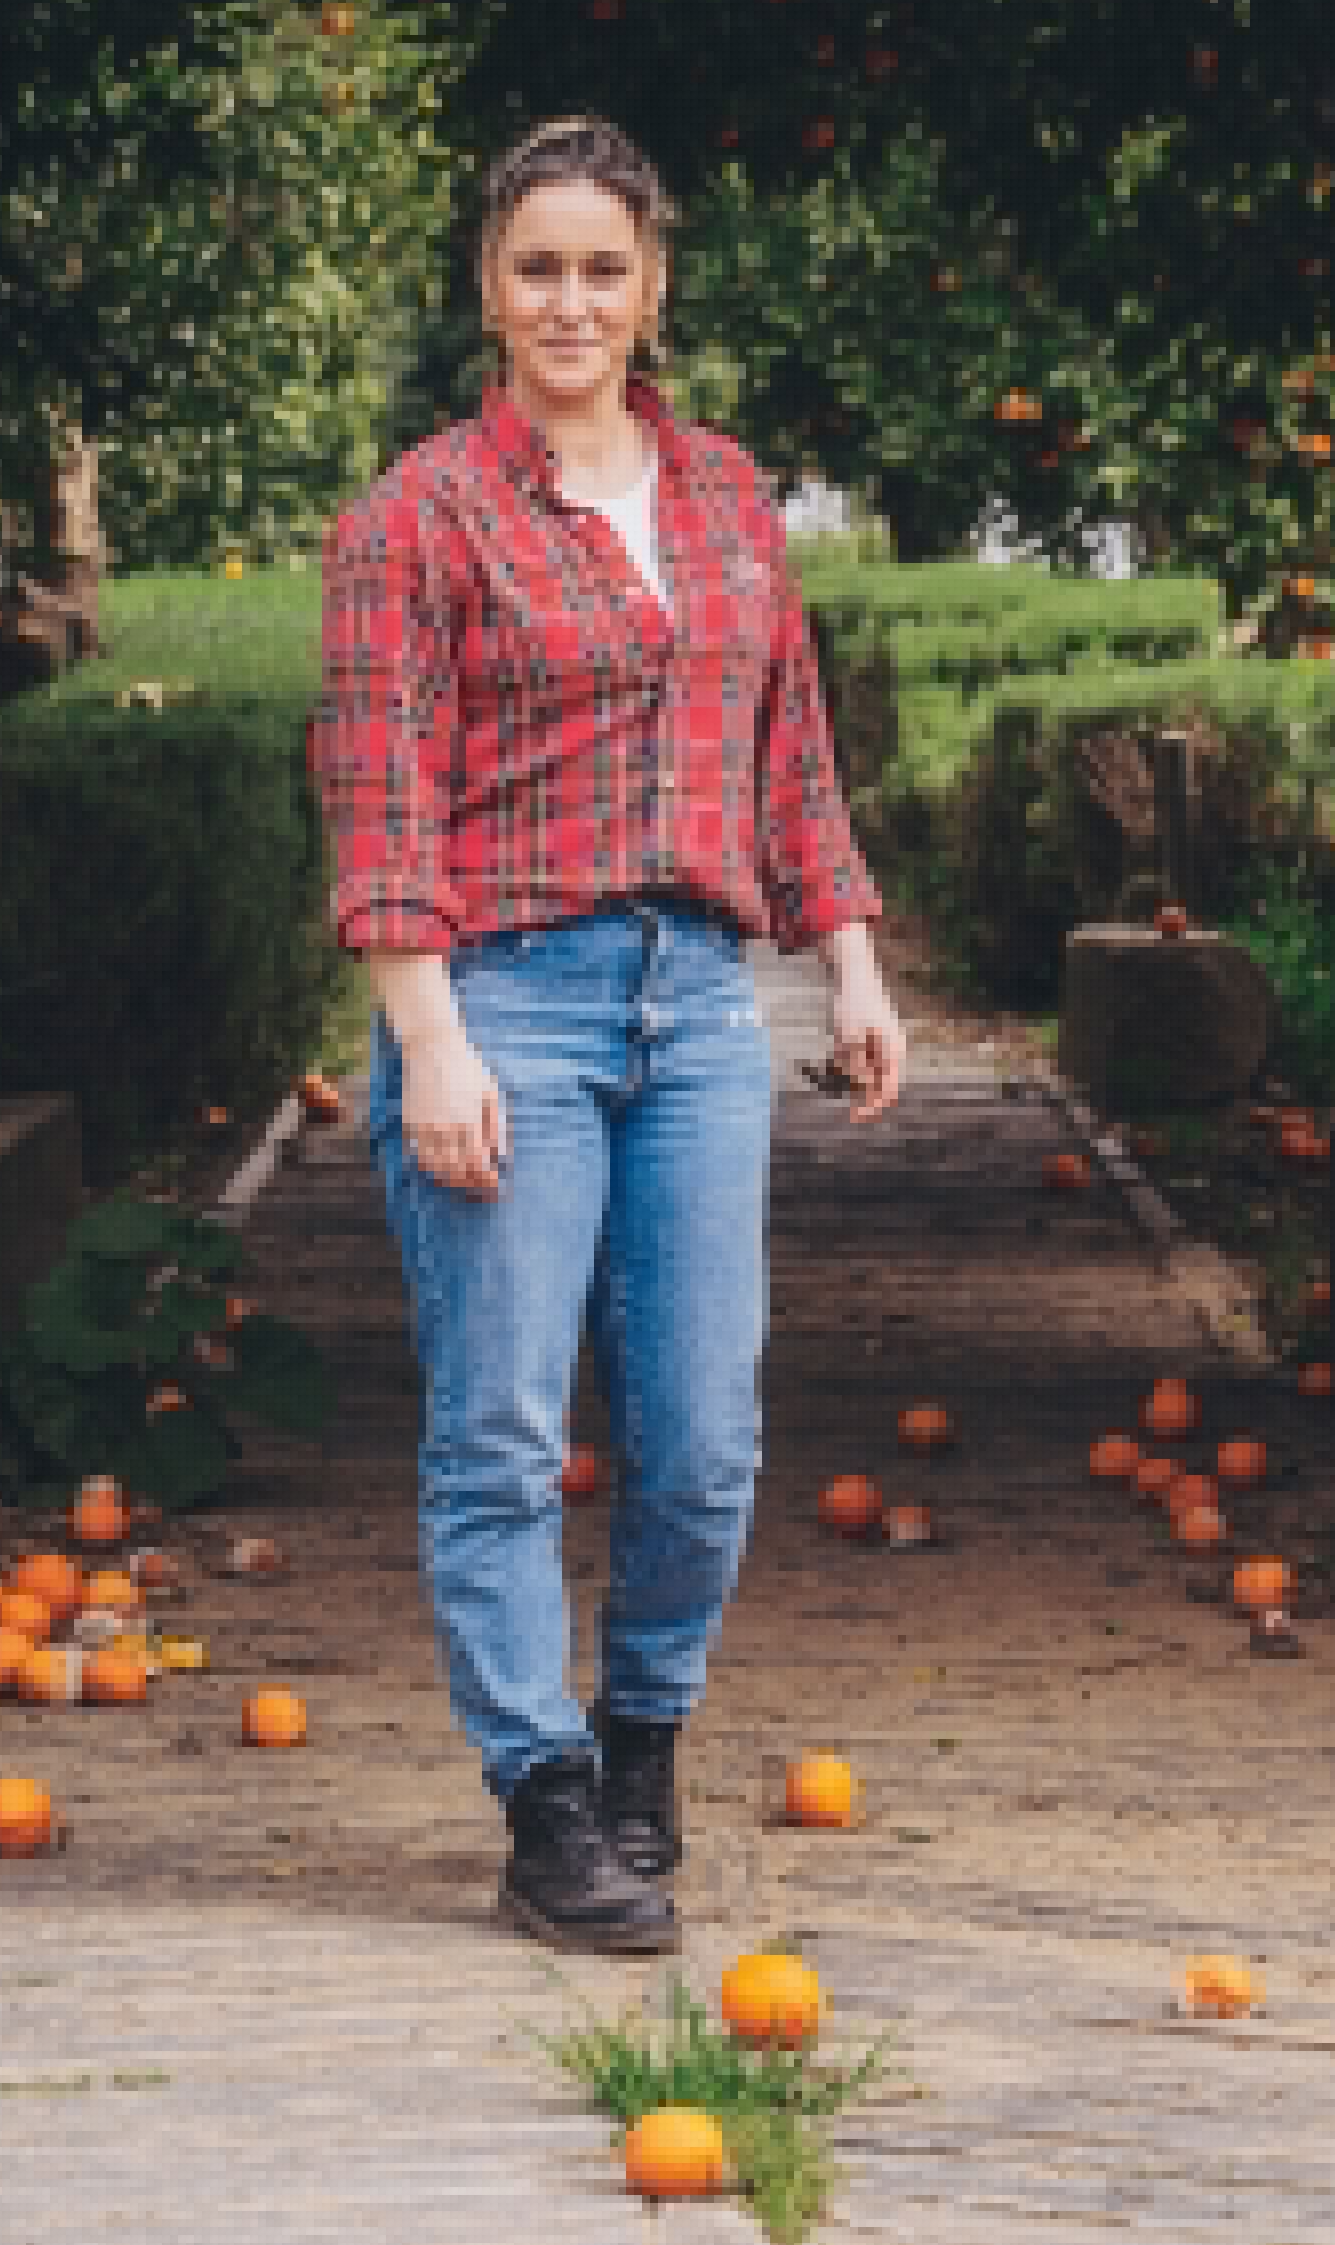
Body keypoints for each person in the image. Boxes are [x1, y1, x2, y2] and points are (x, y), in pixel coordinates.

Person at [306, 113, 905, 1955]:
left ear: (654, 289)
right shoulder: (415, 519)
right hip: (505, 1002)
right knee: (497, 1428)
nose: (573, 300)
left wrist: (855, 961)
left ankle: (641, 1740)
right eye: (538, 265)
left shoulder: (728, 496)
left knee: (705, 1432)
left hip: (701, 1009)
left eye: (605, 267)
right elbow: (382, 797)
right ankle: (542, 1797)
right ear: (488, 286)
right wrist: (430, 1040)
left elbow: (784, 750)